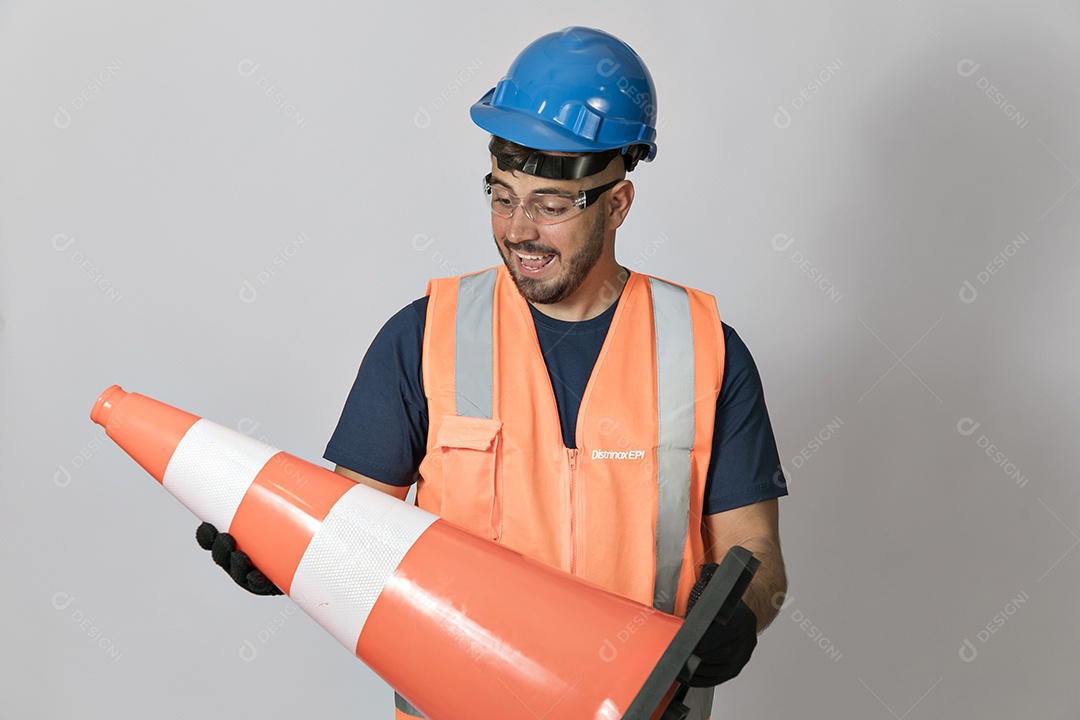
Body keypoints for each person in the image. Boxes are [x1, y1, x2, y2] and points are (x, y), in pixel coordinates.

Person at [200, 26, 788, 720]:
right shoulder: (422, 337)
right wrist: (283, 557)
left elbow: (758, 559)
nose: (517, 230)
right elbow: (348, 528)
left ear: (619, 203)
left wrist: (739, 616)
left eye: (549, 205)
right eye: (502, 196)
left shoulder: (704, 348)